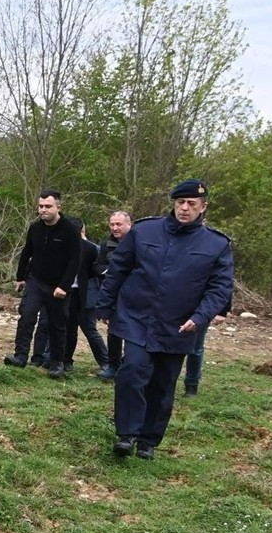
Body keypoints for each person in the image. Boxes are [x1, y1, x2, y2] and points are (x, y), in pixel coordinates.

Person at [97, 179, 233, 460]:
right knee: (132, 371)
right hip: (138, 317)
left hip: (180, 324)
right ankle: (126, 434)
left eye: (191, 204)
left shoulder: (216, 244)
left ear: (203, 207)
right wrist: (105, 305)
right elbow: (119, 267)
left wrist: (200, 316)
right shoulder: (145, 231)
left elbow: (220, 288)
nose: (184, 208)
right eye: (180, 202)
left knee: (162, 382)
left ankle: (148, 440)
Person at [4, 189, 80, 379]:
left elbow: (75, 261)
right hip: (36, 280)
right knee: (27, 316)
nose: (43, 210)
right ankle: (20, 356)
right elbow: (26, 252)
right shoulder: (35, 228)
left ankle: (56, 363)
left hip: (58, 285)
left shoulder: (69, 230)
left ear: (58, 207)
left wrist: (64, 285)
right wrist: (20, 277)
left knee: (57, 324)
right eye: (40, 206)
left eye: (48, 206)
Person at [62, 218, 109, 372]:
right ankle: (66, 361)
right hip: (68, 293)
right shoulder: (62, 246)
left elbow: (97, 271)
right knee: (69, 329)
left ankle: (106, 362)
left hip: (87, 294)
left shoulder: (92, 249)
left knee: (89, 329)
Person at [92, 211, 132, 379]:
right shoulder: (106, 244)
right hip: (112, 293)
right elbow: (97, 266)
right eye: (112, 224)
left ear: (129, 225)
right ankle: (113, 365)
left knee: (132, 333)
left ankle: (129, 366)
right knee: (113, 332)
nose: (115, 228)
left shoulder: (139, 242)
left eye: (118, 224)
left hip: (133, 295)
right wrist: (109, 272)